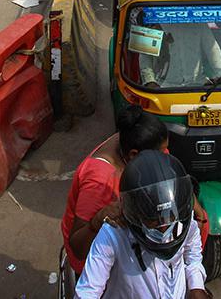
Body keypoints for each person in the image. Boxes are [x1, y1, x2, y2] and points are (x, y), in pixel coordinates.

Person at [75, 151, 209, 299]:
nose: (164, 227)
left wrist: (197, 287)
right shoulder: (113, 233)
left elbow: (193, 255)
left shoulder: (184, 221)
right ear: (136, 213)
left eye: (169, 217)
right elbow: (88, 291)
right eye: (153, 221)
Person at [61, 107, 170, 277]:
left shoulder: (129, 138)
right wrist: (97, 221)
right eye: (161, 153)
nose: (165, 156)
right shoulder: (99, 182)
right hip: (93, 256)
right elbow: (78, 247)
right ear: (134, 155)